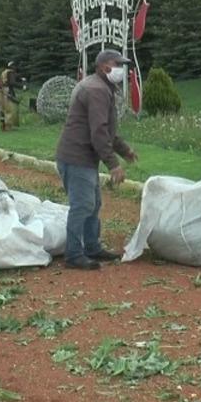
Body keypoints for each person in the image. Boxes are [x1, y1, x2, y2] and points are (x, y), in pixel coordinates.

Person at [55, 49, 138, 270]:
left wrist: (124, 150)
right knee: (82, 205)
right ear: (104, 66)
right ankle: (73, 255)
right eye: (117, 64)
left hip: (80, 157)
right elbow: (99, 131)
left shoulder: (99, 86)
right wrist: (113, 164)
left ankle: (91, 247)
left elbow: (106, 129)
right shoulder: (96, 90)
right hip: (77, 156)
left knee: (93, 204)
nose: (121, 68)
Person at [0, 62, 25, 131]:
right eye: (14, 66)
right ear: (12, 67)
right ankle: (8, 127)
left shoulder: (4, 72)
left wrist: (20, 79)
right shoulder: (10, 72)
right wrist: (22, 86)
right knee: (9, 109)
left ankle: (2, 126)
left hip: (0, 91)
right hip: (6, 91)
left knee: (2, 109)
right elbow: (12, 82)